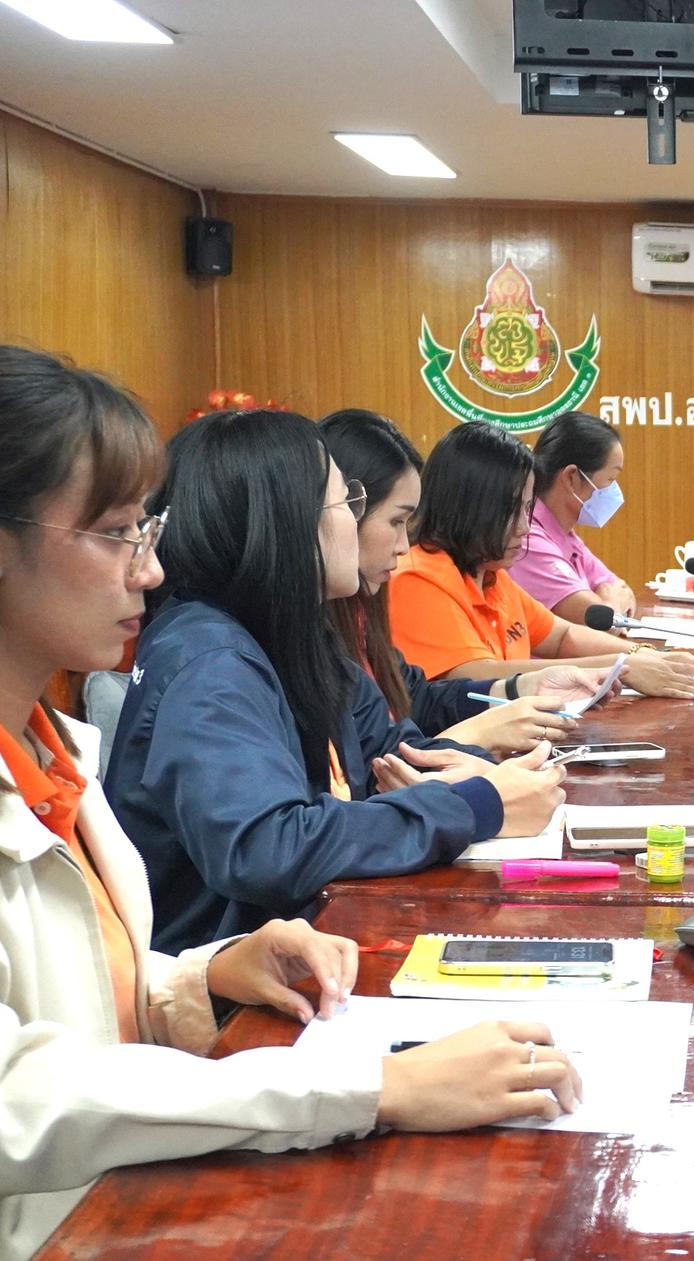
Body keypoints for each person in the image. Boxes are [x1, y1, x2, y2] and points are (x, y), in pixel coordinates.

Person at [0, 346, 580, 1260]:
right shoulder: (208, 659)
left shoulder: (48, 745)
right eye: (116, 533)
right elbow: (19, 1097)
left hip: (121, 1177)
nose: (147, 572)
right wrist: (373, 1090)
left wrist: (208, 970)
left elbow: (70, 1001)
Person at [106, 408, 567, 953]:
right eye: (346, 503)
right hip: (227, 994)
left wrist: (474, 772)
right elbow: (267, 848)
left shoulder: (293, 634)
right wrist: (474, 805)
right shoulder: (209, 656)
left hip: (316, 938)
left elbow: (393, 756)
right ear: (285, 520)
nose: (363, 523)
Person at [318, 409, 606, 756]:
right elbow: (376, 766)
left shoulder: (361, 612)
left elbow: (417, 699)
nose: (401, 545)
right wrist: (480, 733)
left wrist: (525, 687)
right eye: (396, 521)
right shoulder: (414, 576)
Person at [386, 421, 694, 696]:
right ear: (470, 506)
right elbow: (473, 677)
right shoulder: (418, 577)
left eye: (528, 508)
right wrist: (622, 668)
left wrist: (643, 655)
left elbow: (561, 637)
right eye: (511, 510)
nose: (524, 526)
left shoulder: (490, 574)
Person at [510, 410, 638, 621]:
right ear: (571, 477)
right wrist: (611, 604)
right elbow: (603, 621)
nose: (614, 489)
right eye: (610, 478)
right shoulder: (527, 538)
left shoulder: (566, 535)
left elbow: (622, 590)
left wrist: (610, 601)